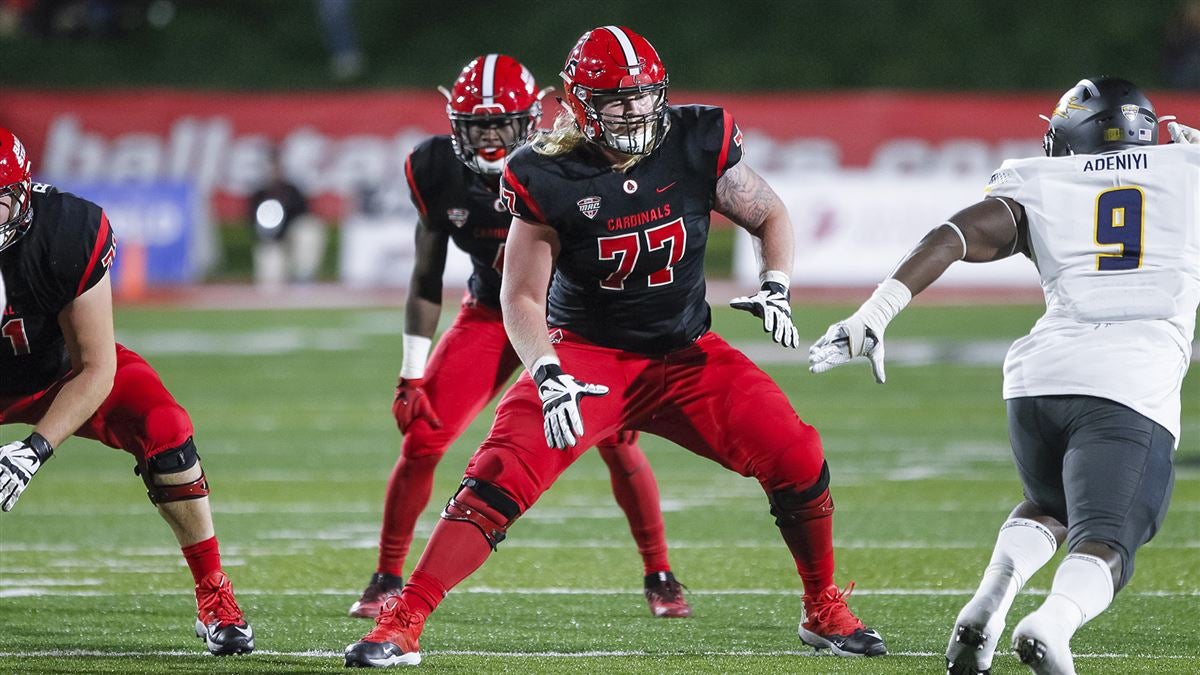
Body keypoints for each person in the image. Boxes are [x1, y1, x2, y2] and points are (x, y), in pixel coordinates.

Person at [343, 26, 886, 668]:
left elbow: (770, 213)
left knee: (797, 453)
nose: (633, 111)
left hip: (686, 355)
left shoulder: (695, 137)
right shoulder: (545, 171)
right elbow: (519, 296)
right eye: (615, 99)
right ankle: (403, 620)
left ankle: (822, 606)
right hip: (589, 358)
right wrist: (545, 371)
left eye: (642, 95)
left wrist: (776, 283)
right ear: (577, 103)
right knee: (497, 474)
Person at [809, 77, 1193, 675]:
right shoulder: (1189, 167)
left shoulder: (1041, 179)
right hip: (1129, 380)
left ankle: (987, 606)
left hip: (1037, 380)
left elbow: (955, 235)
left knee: (1048, 504)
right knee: (1109, 540)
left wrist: (875, 312)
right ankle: (1054, 623)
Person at [347, 53, 692, 622]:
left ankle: (659, 571)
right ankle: (386, 575)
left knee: (618, 441)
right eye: (476, 124)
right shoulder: (434, 167)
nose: (488, 136)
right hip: (490, 311)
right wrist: (412, 369)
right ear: (455, 123)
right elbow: (426, 273)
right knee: (425, 434)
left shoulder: (566, 159)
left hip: (576, 319)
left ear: (532, 118)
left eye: (499, 123)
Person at [0, 127, 254, 656]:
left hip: (57, 374)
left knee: (165, 427)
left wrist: (33, 450)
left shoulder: (68, 229)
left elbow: (96, 367)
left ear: (23, 195)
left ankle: (214, 592)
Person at [247, 148, 326, 288]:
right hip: (272, 242)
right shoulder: (258, 194)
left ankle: (304, 275)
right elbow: (254, 224)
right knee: (271, 275)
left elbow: (305, 216)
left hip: (293, 240)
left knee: (309, 230)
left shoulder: (292, 191)